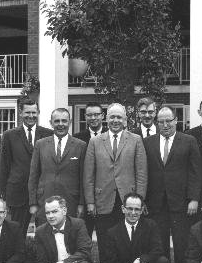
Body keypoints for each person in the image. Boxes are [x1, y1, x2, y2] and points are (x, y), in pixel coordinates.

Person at [143, 107, 202, 263]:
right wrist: (144, 200)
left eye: (168, 121)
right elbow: (144, 174)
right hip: (156, 203)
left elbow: (196, 172)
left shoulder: (189, 141)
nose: (165, 125)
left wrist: (194, 199)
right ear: (156, 122)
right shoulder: (147, 143)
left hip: (182, 204)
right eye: (161, 122)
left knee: (182, 245)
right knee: (159, 247)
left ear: (176, 120)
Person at [83, 103, 148, 242]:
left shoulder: (135, 140)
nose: (115, 120)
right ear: (106, 119)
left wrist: (139, 201)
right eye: (112, 117)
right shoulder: (95, 142)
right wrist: (90, 202)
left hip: (128, 200)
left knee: (127, 241)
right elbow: (88, 175)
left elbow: (141, 174)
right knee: (104, 241)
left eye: (119, 117)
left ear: (125, 120)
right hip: (103, 200)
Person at [98, 192, 170, 263]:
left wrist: (139, 260)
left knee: (163, 261)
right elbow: (109, 260)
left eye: (137, 209)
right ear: (123, 209)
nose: (133, 213)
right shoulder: (112, 232)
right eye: (129, 209)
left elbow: (158, 250)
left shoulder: (151, 225)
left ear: (142, 210)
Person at [0, 97, 53, 238]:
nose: (31, 116)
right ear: (20, 113)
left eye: (34, 112)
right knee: (16, 232)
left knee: (45, 231)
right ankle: (17, 259)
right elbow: (4, 166)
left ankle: (41, 259)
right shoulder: (9, 135)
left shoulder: (48, 134)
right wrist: (2, 195)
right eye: (27, 112)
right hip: (17, 192)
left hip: (42, 192)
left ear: (38, 113)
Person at [28, 108, 87, 225]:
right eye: (57, 121)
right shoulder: (41, 144)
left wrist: (81, 203)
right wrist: (33, 203)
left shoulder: (80, 145)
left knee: (68, 239)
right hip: (44, 201)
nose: (61, 124)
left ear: (69, 122)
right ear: (51, 123)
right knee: (45, 239)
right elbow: (33, 175)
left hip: (70, 202)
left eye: (64, 121)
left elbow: (83, 177)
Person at [73, 102, 107, 237]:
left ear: (102, 116)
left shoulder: (111, 136)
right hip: (84, 193)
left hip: (105, 194)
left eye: (96, 114)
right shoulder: (77, 138)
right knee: (83, 234)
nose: (93, 118)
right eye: (89, 115)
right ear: (85, 117)